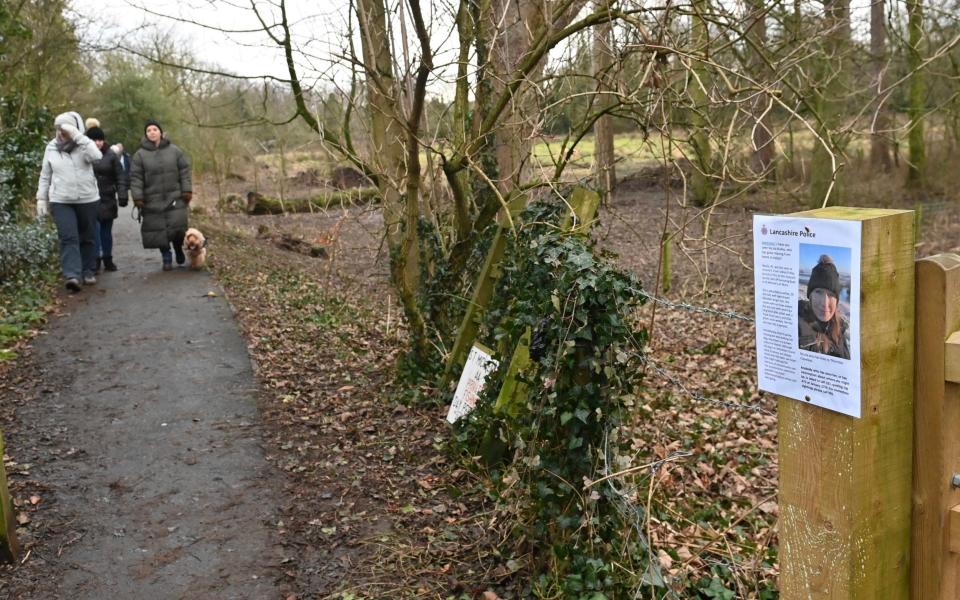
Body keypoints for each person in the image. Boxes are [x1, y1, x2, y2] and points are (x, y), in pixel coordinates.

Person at [36, 111, 102, 292]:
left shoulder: (84, 144)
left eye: (65, 128)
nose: (61, 132)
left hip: (87, 198)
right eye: (58, 128)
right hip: (61, 199)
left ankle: (88, 270)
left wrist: (78, 136)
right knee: (68, 237)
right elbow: (45, 175)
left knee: (87, 236)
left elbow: (97, 157)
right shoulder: (51, 147)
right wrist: (41, 198)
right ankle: (72, 275)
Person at [130, 118, 193, 270]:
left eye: (155, 129)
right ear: (145, 134)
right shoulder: (139, 155)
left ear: (160, 132)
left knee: (178, 228)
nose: (152, 132)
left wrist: (187, 190)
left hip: (175, 197)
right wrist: (138, 197)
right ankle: (166, 256)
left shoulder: (175, 151)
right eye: (149, 130)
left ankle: (178, 249)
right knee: (158, 231)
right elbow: (136, 177)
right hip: (152, 199)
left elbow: (184, 171)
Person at [86, 126, 127, 272]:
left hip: (108, 198)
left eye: (100, 140)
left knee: (106, 232)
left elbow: (120, 176)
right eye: (94, 140)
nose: (98, 143)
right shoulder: (84, 155)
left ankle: (108, 258)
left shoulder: (111, 156)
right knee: (94, 231)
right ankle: (95, 259)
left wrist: (122, 194)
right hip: (90, 198)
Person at [798, 254, 850, 359]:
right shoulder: (798, 325)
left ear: (837, 301)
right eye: (819, 292)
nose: (825, 303)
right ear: (810, 295)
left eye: (831, 295)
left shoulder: (840, 329)